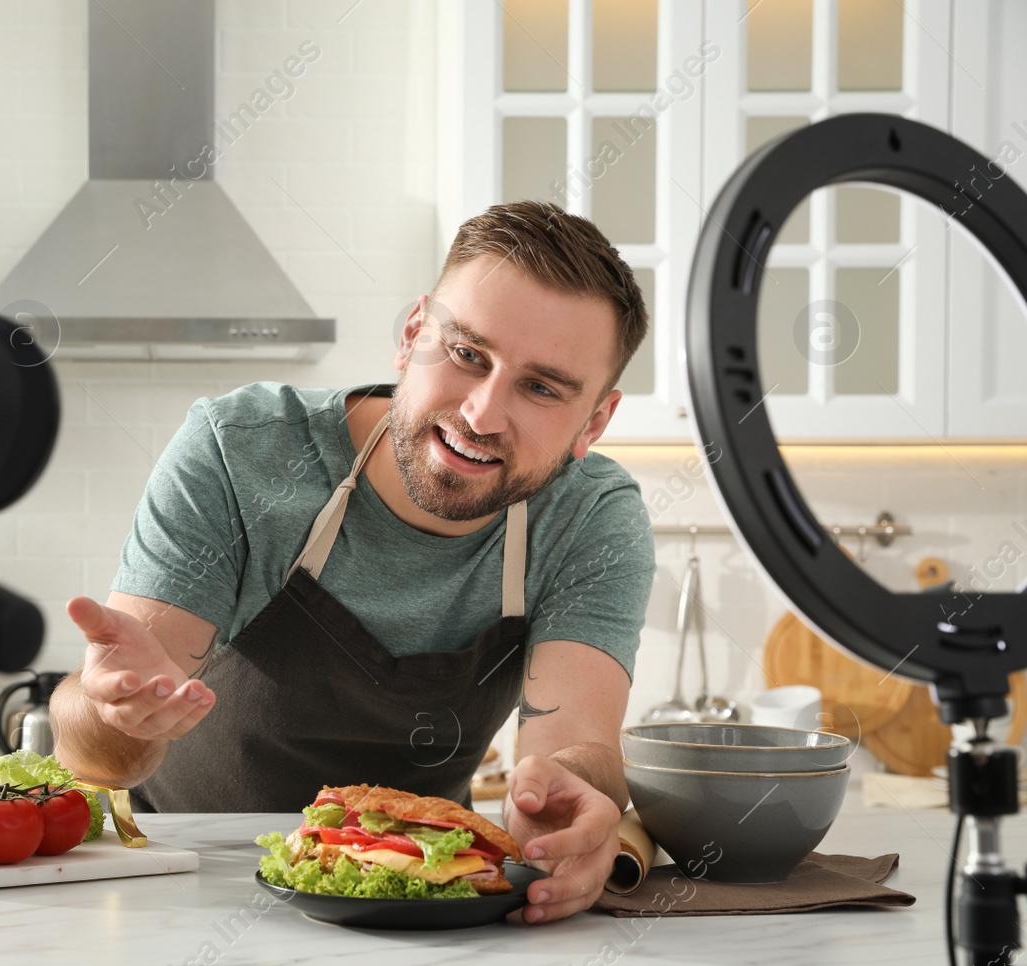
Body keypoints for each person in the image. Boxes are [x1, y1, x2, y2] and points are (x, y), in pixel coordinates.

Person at [51, 200, 655, 924]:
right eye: (467, 354)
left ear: (594, 421)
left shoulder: (591, 517)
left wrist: (570, 795)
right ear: (412, 337)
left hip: (427, 900)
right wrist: (111, 710)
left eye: (542, 387)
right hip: (182, 888)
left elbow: (578, 747)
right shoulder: (240, 451)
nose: (483, 413)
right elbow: (98, 750)